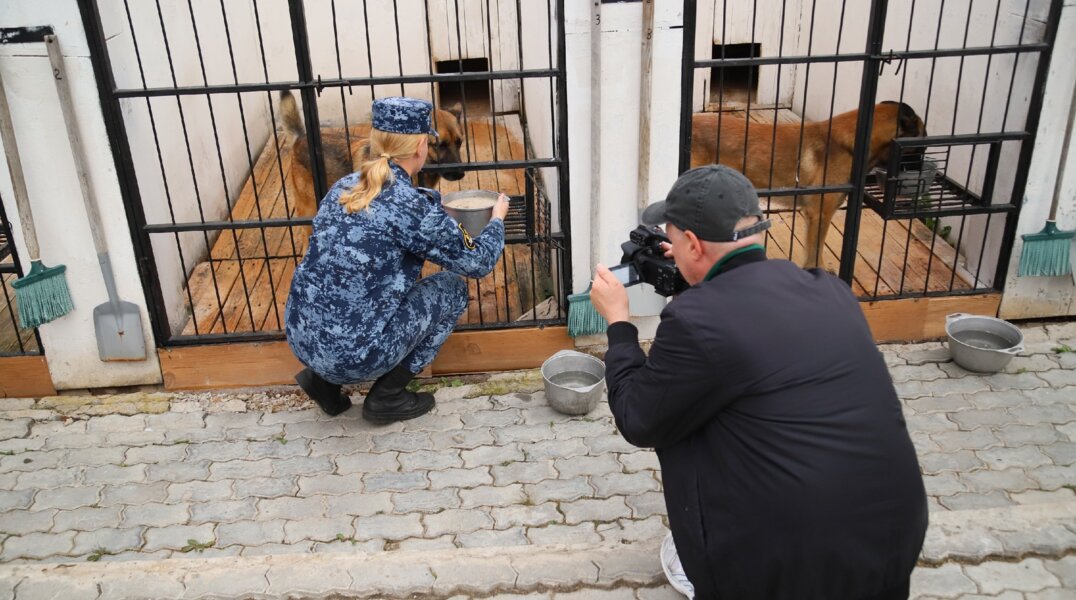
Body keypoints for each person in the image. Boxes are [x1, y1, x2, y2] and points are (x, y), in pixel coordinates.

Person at [588, 164, 928, 599]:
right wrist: (699, 277)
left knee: (677, 421)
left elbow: (638, 418)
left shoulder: (695, 323)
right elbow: (742, 331)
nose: (668, 246)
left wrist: (618, 321)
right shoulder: (829, 289)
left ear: (692, 243)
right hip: (891, 540)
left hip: (791, 569)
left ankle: (708, 556)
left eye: (672, 238)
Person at [285, 96, 509, 423]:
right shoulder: (411, 208)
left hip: (301, 336)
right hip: (352, 356)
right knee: (452, 289)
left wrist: (432, 210)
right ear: (421, 145)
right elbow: (479, 262)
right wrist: (497, 221)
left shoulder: (344, 185)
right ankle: (387, 396)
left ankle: (322, 382)